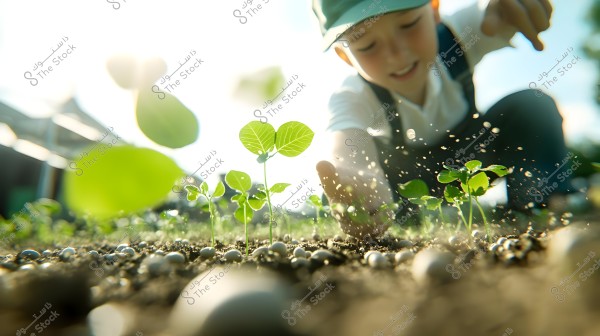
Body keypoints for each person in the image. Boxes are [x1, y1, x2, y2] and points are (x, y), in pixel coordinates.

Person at [312, 0, 571, 238]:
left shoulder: (459, 36)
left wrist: (510, 8)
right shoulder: (352, 95)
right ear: (346, 57)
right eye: (367, 46)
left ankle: (540, 207)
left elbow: (493, 10)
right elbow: (345, 143)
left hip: (473, 159)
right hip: (406, 183)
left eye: (409, 24)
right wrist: (357, 175)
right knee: (343, 179)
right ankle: (399, 223)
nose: (396, 54)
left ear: (434, 10)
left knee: (531, 106)